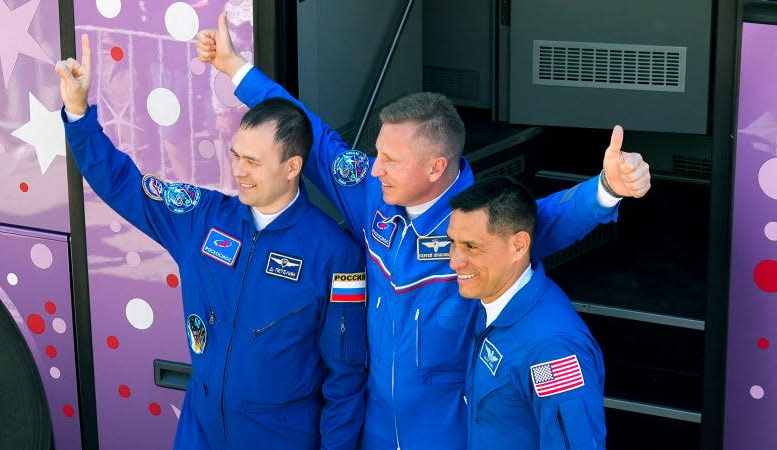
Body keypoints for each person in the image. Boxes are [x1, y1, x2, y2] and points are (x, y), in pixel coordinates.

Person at [197, 12, 650, 449]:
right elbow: (310, 135)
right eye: (378, 153)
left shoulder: (483, 223)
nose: (375, 169)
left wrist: (608, 187)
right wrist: (237, 70)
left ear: (436, 167)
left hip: (448, 434)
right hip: (372, 430)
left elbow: (550, 218)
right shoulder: (372, 194)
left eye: (391, 159)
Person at [56, 34, 367, 450]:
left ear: (293, 166)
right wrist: (79, 114)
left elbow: (346, 379)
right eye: (236, 154)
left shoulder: (335, 254)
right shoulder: (200, 217)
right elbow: (121, 184)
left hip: (281, 438)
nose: (238, 170)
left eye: (253, 162)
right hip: (199, 433)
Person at [448, 177, 606, 449]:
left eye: (471, 246)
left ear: (518, 246)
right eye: (453, 242)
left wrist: (606, 190)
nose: (454, 261)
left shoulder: (552, 351)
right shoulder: (491, 298)